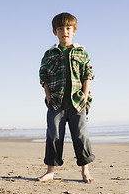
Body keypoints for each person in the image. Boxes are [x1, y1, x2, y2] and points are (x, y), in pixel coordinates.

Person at [37, 12, 95, 183]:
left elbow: (88, 74)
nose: (65, 31)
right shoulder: (49, 54)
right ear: (55, 31)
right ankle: (50, 171)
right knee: (54, 135)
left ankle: (85, 171)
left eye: (68, 28)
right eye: (61, 28)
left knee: (80, 136)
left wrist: (84, 95)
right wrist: (48, 97)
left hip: (78, 102)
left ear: (74, 31)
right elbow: (43, 77)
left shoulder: (81, 52)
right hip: (56, 103)